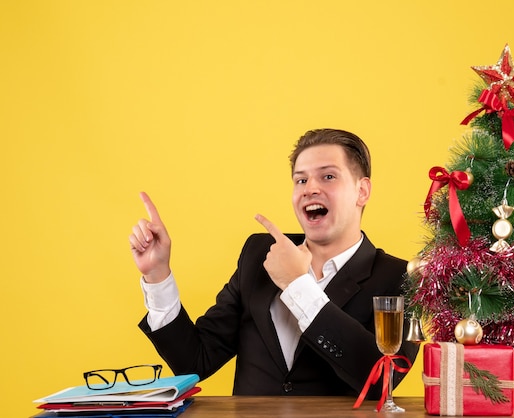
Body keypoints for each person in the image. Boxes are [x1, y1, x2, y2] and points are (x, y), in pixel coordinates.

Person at [129, 128, 418, 397]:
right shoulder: (259, 254)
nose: (310, 188)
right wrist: (157, 275)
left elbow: (383, 379)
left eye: (328, 176)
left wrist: (297, 285)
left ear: (362, 191)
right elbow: (195, 361)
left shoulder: (400, 277)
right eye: (301, 180)